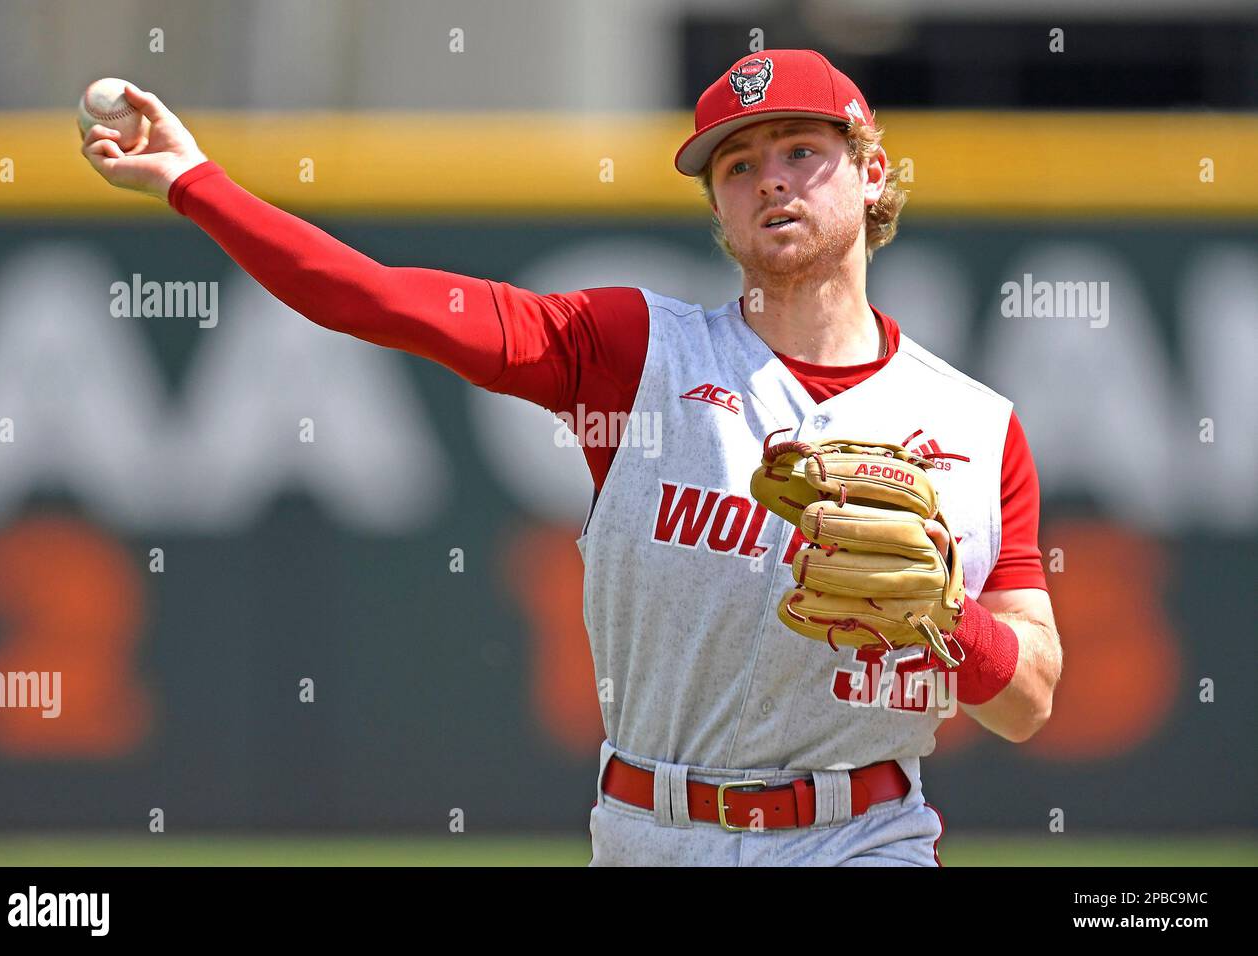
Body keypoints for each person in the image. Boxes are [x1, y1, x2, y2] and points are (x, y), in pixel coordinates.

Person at [80, 48, 1062, 867]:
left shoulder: (974, 425)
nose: (768, 178)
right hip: (649, 832)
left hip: (864, 835)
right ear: (717, 213)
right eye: (735, 166)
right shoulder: (634, 351)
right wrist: (193, 183)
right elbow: (377, 297)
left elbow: (1028, 699)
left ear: (872, 171)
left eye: (802, 151)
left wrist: (947, 619)